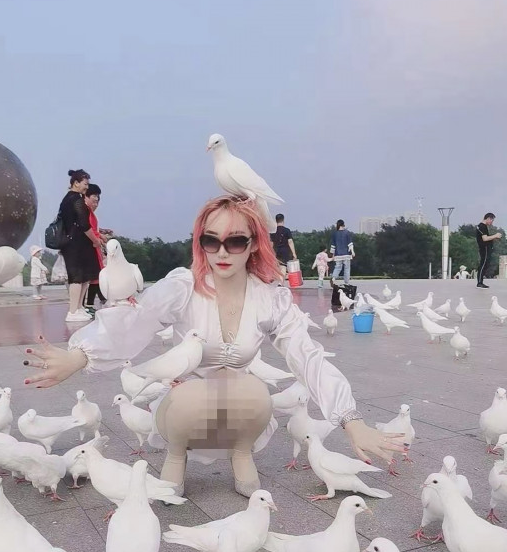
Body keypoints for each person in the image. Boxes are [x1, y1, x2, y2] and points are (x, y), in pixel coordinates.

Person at [23, 195, 403, 499]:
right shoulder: (183, 287)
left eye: (235, 241)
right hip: (185, 405)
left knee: (257, 394)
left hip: (241, 406)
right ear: (200, 242)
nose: (222, 252)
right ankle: (176, 456)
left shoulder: (269, 299)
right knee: (192, 397)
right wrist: (79, 356)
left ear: (253, 245)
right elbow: (136, 321)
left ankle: (241, 453)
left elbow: (307, 356)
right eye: (211, 240)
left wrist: (350, 420)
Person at [58, 169, 102, 321]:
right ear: (76, 183)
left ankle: (79, 308)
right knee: (76, 277)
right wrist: (96, 240)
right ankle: (72, 311)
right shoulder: (76, 199)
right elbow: (84, 224)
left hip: (78, 244)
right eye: (85, 184)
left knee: (85, 276)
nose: (86, 187)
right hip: (75, 244)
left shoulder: (69, 198)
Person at [83, 184, 111, 312]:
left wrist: (100, 235)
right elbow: (88, 230)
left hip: (94, 248)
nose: (96, 204)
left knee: (96, 278)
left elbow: (94, 230)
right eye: (94, 198)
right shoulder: (85, 212)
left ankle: (90, 304)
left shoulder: (90, 214)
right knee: (90, 278)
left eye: (97, 201)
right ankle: (86, 305)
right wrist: (97, 239)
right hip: (90, 248)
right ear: (86, 197)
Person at [476, 212, 501, 288]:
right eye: (491, 220)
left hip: (486, 248)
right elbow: (485, 238)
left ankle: (480, 281)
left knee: (485, 264)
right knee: (483, 264)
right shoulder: (482, 226)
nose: (491, 222)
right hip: (485, 248)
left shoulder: (483, 226)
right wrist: (495, 235)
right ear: (488, 218)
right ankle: (479, 282)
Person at [329, 220, 354, 285]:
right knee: (347, 268)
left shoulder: (335, 234)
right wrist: (353, 252)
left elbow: (333, 246)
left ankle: (333, 278)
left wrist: (332, 254)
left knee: (337, 267)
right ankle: (346, 283)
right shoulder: (347, 232)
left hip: (338, 254)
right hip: (346, 254)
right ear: (343, 225)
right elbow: (350, 244)